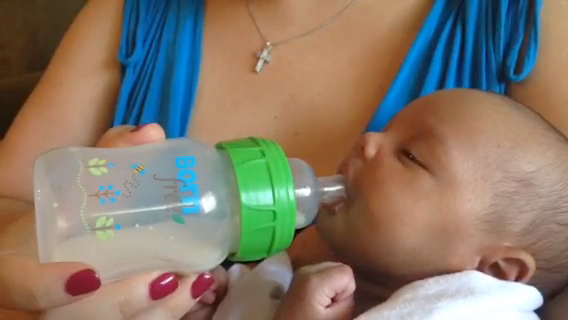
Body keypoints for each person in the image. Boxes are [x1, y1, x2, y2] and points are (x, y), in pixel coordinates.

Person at [1, 0, 568, 318]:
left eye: (413, 157)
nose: (366, 140)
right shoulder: (138, 11)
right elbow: (14, 204)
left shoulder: (522, 21)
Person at [215, 89, 568, 319]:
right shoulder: (287, 277)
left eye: (411, 156)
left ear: (495, 271)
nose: (367, 141)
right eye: (385, 130)